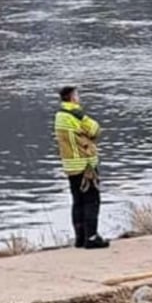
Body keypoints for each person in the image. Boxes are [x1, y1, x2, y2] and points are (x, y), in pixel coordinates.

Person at [54, 85, 109, 249]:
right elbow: (95, 130)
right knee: (92, 201)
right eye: (77, 95)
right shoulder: (76, 114)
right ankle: (91, 237)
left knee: (77, 201)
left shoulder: (59, 116)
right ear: (72, 97)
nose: (78, 98)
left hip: (70, 165)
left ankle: (80, 237)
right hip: (85, 165)